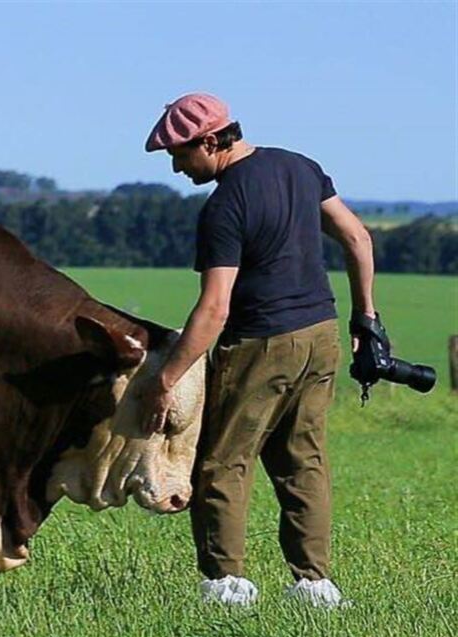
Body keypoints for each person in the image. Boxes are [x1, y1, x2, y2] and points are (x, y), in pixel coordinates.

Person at [139, 93, 376, 608]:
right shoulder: (300, 166)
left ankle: (226, 587)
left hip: (262, 343)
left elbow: (214, 309)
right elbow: (357, 238)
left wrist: (166, 380)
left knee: (223, 462)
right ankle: (314, 585)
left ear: (209, 140)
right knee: (303, 461)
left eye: (180, 154)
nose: (177, 168)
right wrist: (367, 319)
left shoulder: (224, 207)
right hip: (321, 334)